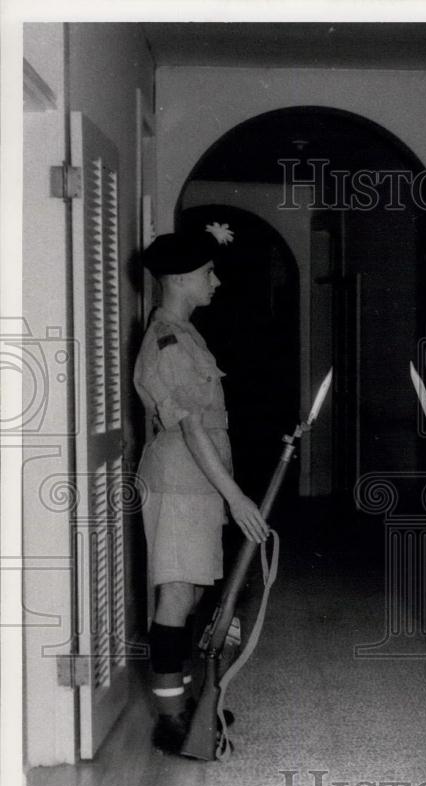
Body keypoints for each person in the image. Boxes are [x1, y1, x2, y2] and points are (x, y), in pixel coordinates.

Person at [134, 229, 269, 754]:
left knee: (188, 590)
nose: (216, 280)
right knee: (175, 591)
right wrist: (236, 497)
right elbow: (190, 429)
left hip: (196, 480)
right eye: (208, 272)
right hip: (181, 479)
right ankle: (170, 721)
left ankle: (186, 702)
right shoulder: (167, 340)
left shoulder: (186, 333)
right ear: (179, 278)